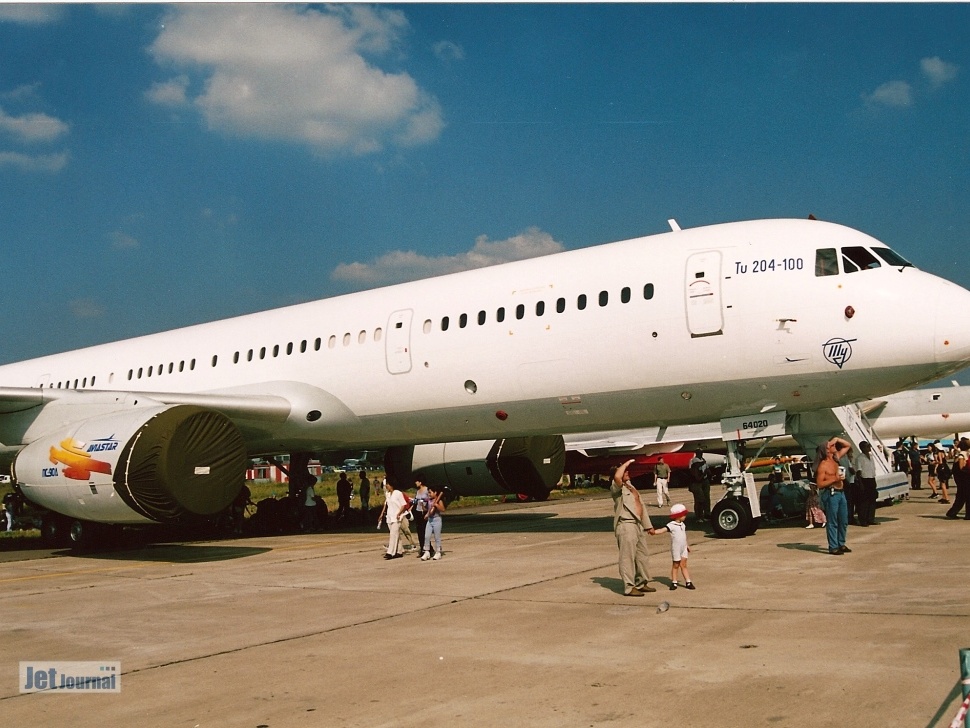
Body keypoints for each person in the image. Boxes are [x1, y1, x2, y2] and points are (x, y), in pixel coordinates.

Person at [610, 459, 656, 596]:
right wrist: (626, 463)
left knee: (642, 556)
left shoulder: (630, 486)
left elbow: (641, 506)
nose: (627, 472)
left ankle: (642, 582)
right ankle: (629, 587)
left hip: (638, 524)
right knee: (627, 557)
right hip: (626, 524)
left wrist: (648, 526)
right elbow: (617, 477)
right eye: (625, 471)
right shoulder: (616, 487)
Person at [815, 436, 853, 555]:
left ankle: (841, 543)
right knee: (833, 521)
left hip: (841, 493)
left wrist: (835, 439)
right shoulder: (823, 465)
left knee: (844, 520)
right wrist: (834, 479)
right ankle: (833, 546)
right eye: (830, 446)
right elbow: (820, 484)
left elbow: (847, 445)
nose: (833, 446)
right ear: (826, 451)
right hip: (831, 493)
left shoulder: (836, 458)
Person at [649, 503, 694, 590]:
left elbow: (683, 536)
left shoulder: (682, 525)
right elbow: (663, 530)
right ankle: (674, 582)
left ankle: (688, 581)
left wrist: (686, 545)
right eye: (684, 515)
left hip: (683, 547)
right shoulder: (671, 525)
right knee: (676, 565)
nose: (685, 516)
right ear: (678, 516)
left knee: (684, 564)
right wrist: (654, 532)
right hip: (676, 548)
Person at [379, 479, 408, 559]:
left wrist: (399, 513)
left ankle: (390, 552)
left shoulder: (398, 493)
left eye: (387, 484)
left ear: (392, 485)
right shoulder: (388, 494)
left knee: (393, 534)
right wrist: (381, 514)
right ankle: (399, 550)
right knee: (396, 535)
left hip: (397, 517)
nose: (386, 486)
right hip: (389, 516)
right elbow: (386, 505)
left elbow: (404, 505)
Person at [855, 441, 879, 527]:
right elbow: (858, 471)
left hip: (871, 479)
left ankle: (871, 518)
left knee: (872, 500)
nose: (870, 448)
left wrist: (874, 480)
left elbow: (873, 470)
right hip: (864, 480)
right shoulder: (859, 458)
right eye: (868, 446)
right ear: (863, 448)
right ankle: (863, 520)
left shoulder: (871, 457)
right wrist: (861, 483)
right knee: (864, 502)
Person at [945, 438, 970, 520]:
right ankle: (967, 515)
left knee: (962, 496)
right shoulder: (962, 455)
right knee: (966, 496)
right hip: (964, 479)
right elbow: (961, 467)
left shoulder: (966, 453)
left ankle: (952, 512)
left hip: (965, 479)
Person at [420, 486, 446, 560]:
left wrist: (436, 505)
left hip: (437, 520)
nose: (429, 494)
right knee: (427, 536)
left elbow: (443, 509)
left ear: (435, 493)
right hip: (430, 520)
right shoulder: (429, 500)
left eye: (430, 492)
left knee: (437, 537)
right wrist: (422, 505)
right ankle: (427, 552)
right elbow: (427, 509)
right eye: (428, 492)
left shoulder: (438, 501)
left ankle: (438, 552)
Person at [687, 451, 711, 520]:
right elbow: (695, 473)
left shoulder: (703, 460)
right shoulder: (693, 461)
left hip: (704, 480)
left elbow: (707, 469)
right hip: (697, 482)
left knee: (706, 498)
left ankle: (707, 514)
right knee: (699, 499)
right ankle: (699, 516)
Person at [412, 478, 431, 556]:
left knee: (424, 532)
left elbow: (430, 500)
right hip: (418, 511)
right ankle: (423, 548)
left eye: (416, 481)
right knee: (419, 531)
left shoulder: (427, 490)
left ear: (420, 482)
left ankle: (428, 548)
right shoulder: (418, 491)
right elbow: (415, 501)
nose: (415, 483)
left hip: (425, 512)